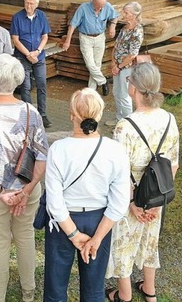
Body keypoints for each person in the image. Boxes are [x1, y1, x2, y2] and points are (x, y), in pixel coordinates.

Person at [0, 54, 48, 302]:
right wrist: (26, 190)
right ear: (17, 80)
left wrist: (0, 193)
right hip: (28, 189)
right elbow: (43, 155)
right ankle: (29, 293)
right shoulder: (31, 112)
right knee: (25, 239)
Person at [44, 87, 130, 302]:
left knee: (55, 288)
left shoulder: (58, 149)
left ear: (72, 115)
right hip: (99, 220)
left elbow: (54, 202)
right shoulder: (116, 150)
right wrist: (97, 238)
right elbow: (119, 202)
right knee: (94, 290)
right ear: (100, 115)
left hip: (63, 222)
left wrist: (73, 235)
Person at [106, 63, 179, 302]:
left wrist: (130, 202)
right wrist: (158, 200)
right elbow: (173, 164)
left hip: (132, 194)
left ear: (134, 88)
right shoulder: (169, 119)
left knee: (123, 244)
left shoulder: (124, 126)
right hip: (157, 193)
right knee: (150, 241)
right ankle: (149, 290)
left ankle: (123, 296)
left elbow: (121, 171)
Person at [63, 0, 119, 96]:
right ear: (93, 1)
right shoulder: (83, 8)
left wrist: (113, 26)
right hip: (86, 37)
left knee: (97, 64)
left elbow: (115, 16)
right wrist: (68, 40)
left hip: (100, 37)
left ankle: (91, 90)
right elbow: (73, 24)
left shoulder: (107, 6)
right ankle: (103, 81)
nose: (99, 8)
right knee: (90, 63)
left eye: (101, 6)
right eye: (97, 6)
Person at [10, 0, 52, 128]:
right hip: (22, 57)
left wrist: (37, 51)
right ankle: (29, 115)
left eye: (31, 3)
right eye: (26, 3)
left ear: (37, 4)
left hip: (38, 56)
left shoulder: (42, 16)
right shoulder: (17, 17)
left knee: (42, 85)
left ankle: (43, 114)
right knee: (25, 86)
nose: (28, 6)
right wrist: (28, 54)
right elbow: (15, 40)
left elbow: (45, 36)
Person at [105, 1, 144, 127]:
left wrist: (119, 66)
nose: (123, 14)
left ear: (134, 15)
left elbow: (132, 54)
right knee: (117, 93)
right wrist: (113, 62)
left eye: (126, 12)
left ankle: (128, 125)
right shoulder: (124, 28)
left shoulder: (137, 31)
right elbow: (116, 46)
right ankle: (119, 119)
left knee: (125, 95)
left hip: (127, 68)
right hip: (118, 66)